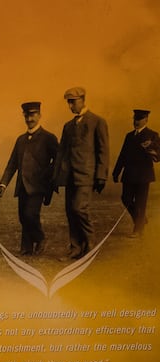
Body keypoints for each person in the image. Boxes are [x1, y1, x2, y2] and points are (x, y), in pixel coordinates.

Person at [0, 101, 59, 256]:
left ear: (39, 115)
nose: (29, 119)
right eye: (26, 115)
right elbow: (12, 164)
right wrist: (3, 184)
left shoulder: (48, 138)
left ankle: (41, 238)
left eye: (32, 115)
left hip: (38, 186)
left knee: (31, 214)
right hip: (22, 185)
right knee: (23, 217)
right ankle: (26, 248)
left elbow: (58, 160)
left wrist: (48, 176)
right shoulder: (20, 140)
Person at [55, 86, 110, 260]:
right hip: (69, 176)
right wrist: (57, 177)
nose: (70, 106)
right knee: (70, 212)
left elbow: (103, 151)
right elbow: (61, 153)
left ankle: (91, 244)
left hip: (86, 176)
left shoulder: (97, 121)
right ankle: (76, 248)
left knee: (79, 208)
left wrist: (101, 175)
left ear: (83, 99)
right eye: (68, 102)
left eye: (73, 102)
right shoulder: (68, 126)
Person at [112, 108, 159, 237]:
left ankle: (138, 229)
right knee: (125, 198)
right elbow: (122, 155)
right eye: (135, 119)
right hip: (129, 174)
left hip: (144, 175)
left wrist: (149, 147)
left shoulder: (153, 135)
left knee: (140, 203)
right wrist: (116, 172)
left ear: (146, 120)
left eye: (139, 119)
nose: (136, 122)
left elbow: (158, 157)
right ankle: (141, 220)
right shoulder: (129, 136)